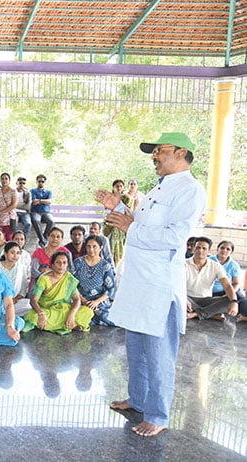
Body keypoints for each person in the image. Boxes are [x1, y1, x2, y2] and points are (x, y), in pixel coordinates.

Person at [94, 132, 206, 437]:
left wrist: (130, 226)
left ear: (181, 152)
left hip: (159, 286)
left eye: (159, 151)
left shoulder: (190, 190)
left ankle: (158, 414)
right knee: (137, 349)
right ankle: (138, 399)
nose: (154, 156)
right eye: (153, 152)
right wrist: (119, 209)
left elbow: (174, 237)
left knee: (159, 354)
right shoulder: (159, 187)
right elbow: (140, 225)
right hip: (138, 282)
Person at [23, 251, 92, 334]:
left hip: (65, 310)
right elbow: (33, 300)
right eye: (58, 262)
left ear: (67, 265)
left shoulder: (69, 278)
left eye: (64, 262)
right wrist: (41, 313)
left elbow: (77, 299)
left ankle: (67, 323)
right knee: (32, 316)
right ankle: (70, 325)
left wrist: (72, 314)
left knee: (88, 312)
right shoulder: (44, 279)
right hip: (48, 311)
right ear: (52, 265)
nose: (61, 265)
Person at [185, 237, 240, 321]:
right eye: (198, 247)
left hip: (206, 300)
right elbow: (175, 286)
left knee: (230, 300)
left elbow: (227, 286)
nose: (200, 250)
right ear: (194, 249)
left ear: (209, 251)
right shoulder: (184, 264)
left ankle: (195, 314)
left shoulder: (216, 266)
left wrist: (234, 302)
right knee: (176, 299)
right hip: (188, 298)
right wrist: (184, 299)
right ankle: (210, 313)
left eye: (204, 248)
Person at [72, 236, 116, 326]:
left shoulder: (106, 266)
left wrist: (96, 302)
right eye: (88, 246)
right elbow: (72, 285)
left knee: (105, 318)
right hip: (80, 300)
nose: (91, 249)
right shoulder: (78, 263)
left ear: (101, 248)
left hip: (99, 301)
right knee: (76, 315)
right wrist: (83, 300)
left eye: (94, 247)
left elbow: (110, 289)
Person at [103, 179, 132, 265]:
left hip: (121, 225)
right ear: (113, 187)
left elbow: (126, 211)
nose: (119, 188)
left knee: (121, 250)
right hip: (110, 224)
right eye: (117, 186)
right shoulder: (109, 197)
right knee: (109, 247)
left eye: (121, 186)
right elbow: (107, 211)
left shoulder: (126, 198)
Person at [0, 242, 29, 307]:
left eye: (18, 253)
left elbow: (24, 285)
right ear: (5, 253)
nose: (15, 255)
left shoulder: (21, 267)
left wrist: (16, 299)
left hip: (15, 300)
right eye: (12, 252)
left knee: (27, 306)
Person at [30, 174, 54, 247]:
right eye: (39, 181)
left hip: (46, 212)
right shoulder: (33, 191)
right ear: (36, 182)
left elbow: (49, 201)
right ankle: (43, 240)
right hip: (36, 211)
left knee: (51, 221)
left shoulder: (49, 192)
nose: (40, 183)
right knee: (36, 220)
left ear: (44, 182)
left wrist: (39, 201)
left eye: (42, 181)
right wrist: (44, 201)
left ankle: (43, 238)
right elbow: (34, 201)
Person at [0, 172, 17, 241]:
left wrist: (1, 212)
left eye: (6, 179)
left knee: (9, 238)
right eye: (2, 179)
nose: (4, 180)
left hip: (10, 218)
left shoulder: (13, 191)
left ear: (9, 180)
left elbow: (14, 205)